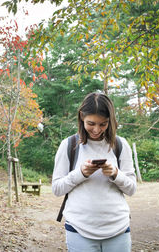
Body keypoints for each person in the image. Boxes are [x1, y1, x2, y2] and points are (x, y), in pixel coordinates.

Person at [52, 92, 137, 252]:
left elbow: (131, 189)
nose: (96, 130)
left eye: (103, 124)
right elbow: (57, 189)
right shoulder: (69, 145)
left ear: (110, 121)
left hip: (118, 228)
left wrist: (115, 174)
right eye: (91, 123)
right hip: (79, 229)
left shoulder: (120, 144)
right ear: (81, 116)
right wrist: (81, 173)